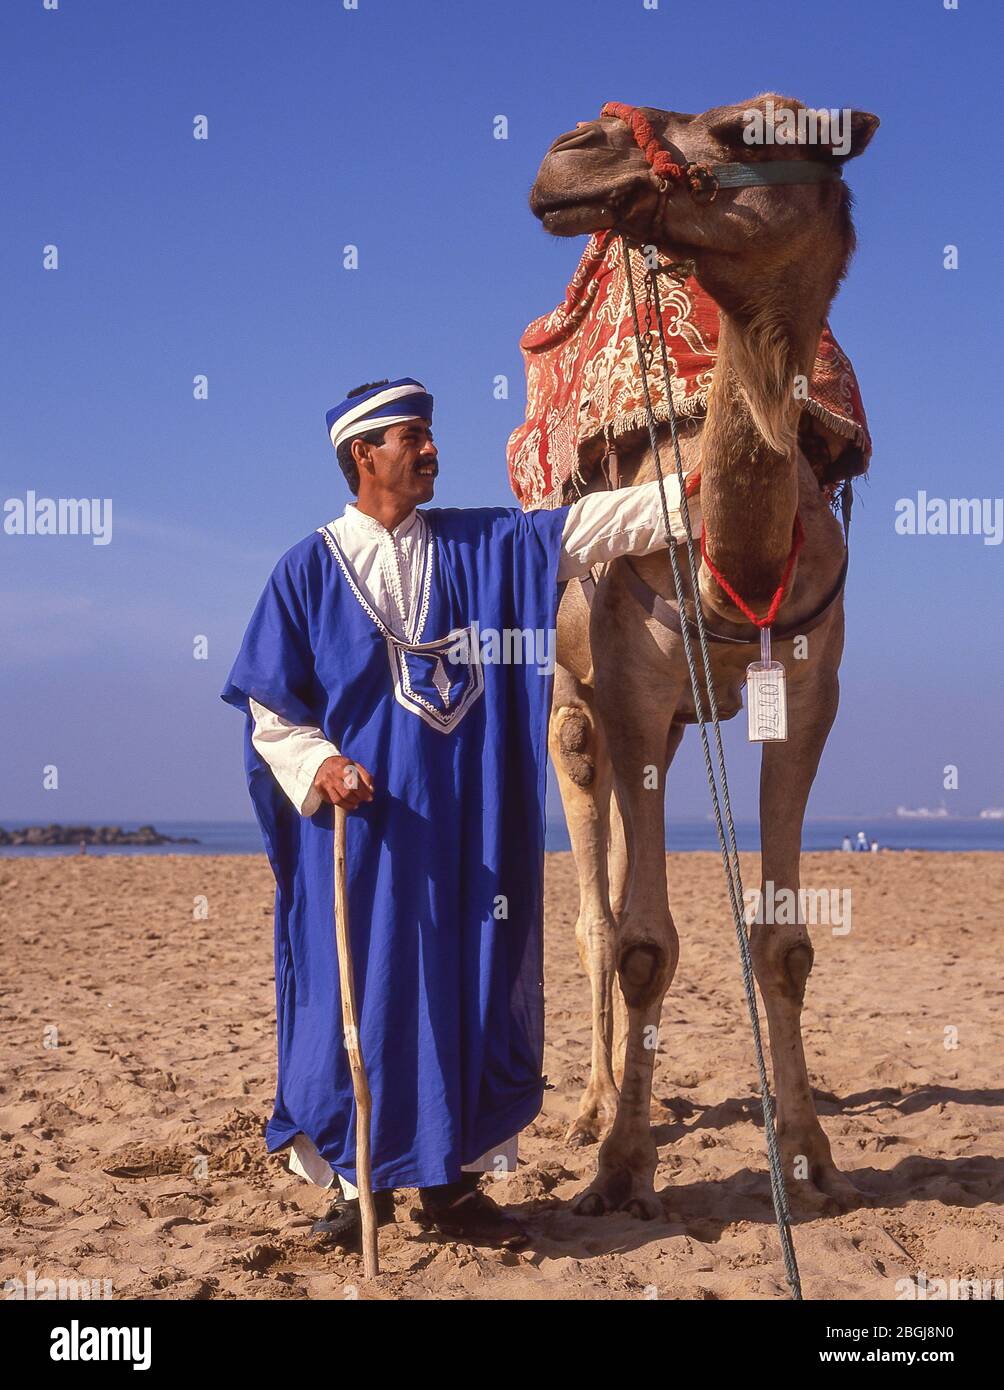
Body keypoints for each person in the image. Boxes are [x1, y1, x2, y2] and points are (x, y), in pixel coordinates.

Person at [222, 377, 693, 1249]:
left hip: (469, 829)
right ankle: (349, 1184)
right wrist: (319, 762)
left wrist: (692, 493)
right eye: (414, 437)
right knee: (350, 1000)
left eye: (431, 435)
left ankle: (451, 1184)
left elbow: (588, 528)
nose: (433, 448)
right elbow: (269, 709)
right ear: (364, 456)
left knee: (462, 991)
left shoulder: (483, 548)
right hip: (361, 839)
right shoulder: (306, 571)